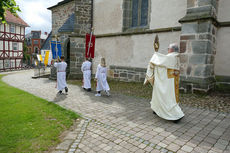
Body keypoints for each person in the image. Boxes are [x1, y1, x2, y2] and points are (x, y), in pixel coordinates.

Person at [144, 43, 184, 123]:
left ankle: (176, 115)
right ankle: (156, 109)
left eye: (168, 48)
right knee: (165, 96)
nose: (167, 50)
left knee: (166, 98)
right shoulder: (176, 57)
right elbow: (164, 64)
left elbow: (157, 61)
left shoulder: (171, 57)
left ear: (172, 49)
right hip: (171, 82)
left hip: (166, 83)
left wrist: (155, 55)